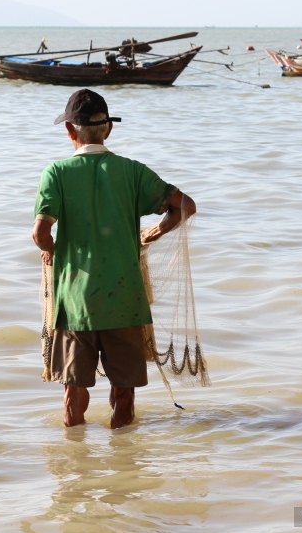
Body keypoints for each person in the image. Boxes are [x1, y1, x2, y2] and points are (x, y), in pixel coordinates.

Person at [31, 89, 194, 429]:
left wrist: (53, 249)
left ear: (69, 131)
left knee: (73, 394)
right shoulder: (133, 172)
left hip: (77, 303)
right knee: (124, 395)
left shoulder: (56, 173)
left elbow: (40, 233)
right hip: (126, 300)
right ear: (108, 130)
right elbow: (184, 206)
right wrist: (154, 232)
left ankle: (76, 471)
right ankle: (126, 466)